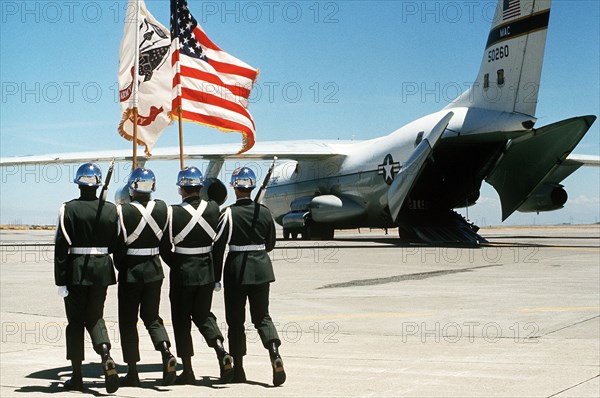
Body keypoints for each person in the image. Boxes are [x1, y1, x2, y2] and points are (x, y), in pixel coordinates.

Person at [160, 166, 234, 385]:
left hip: (183, 270)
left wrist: (176, 264)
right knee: (203, 315)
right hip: (206, 270)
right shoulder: (214, 209)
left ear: (181, 189)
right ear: (200, 187)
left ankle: (188, 370)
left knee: (181, 320)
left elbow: (165, 247)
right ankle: (221, 350)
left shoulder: (173, 212)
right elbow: (219, 242)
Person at [213, 166, 286, 386]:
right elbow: (271, 244)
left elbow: (218, 246)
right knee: (262, 316)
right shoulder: (263, 212)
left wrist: (216, 277)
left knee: (236, 322)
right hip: (262, 269)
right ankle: (274, 352)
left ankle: (239, 370)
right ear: (252, 186)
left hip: (237, 270)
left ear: (235, 187)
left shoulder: (228, 213)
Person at [54, 163, 120, 393]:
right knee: (95, 317)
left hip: (76, 271)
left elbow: (61, 248)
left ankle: (77, 375)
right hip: (101, 269)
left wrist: (60, 281)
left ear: (79, 184)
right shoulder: (111, 210)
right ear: (99, 183)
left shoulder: (68, 209)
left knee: (75, 323)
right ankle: (105, 355)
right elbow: (115, 243)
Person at [114, 168, 176, 387]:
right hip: (154, 270)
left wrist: (122, 267)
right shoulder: (163, 208)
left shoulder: (122, 211)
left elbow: (118, 247)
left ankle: (132, 372)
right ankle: (166, 352)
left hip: (131, 271)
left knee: (128, 322)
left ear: (132, 188)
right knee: (152, 317)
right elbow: (167, 244)